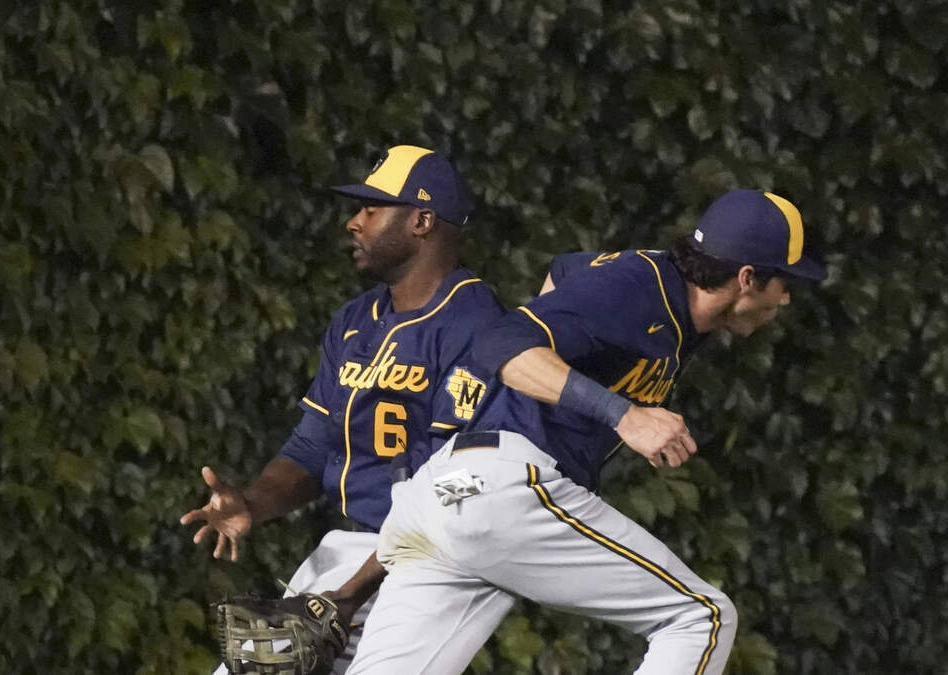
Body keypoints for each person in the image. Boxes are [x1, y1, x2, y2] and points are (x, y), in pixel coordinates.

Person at [347, 189, 828, 674]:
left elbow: (566, 270)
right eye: (784, 282)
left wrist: (549, 366)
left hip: (445, 494)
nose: (786, 297)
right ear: (747, 278)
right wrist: (623, 415)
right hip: (505, 486)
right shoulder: (640, 285)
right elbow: (501, 342)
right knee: (701, 617)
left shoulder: (665, 296)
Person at [180, 145, 505, 673]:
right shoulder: (355, 321)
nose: (354, 222)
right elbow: (314, 444)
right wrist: (253, 503)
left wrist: (351, 593)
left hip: (441, 561)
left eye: (372, 209)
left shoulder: (476, 324)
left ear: (422, 221)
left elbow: (458, 485)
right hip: (355, 547)